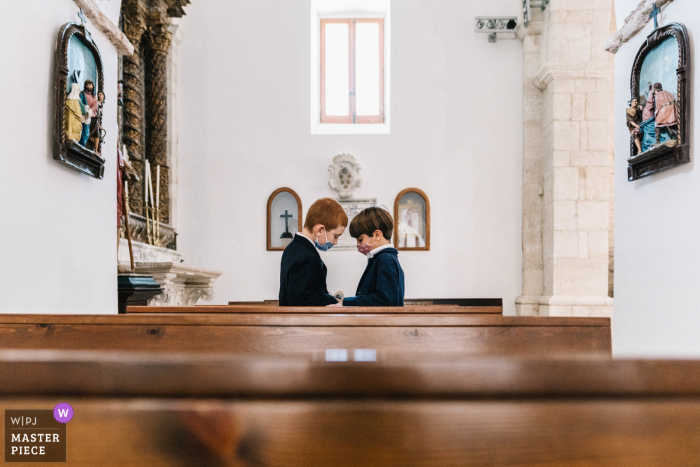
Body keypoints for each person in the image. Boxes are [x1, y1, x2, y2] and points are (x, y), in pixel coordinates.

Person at [279, 198, 348, 306]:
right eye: (335, 236)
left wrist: (323, 294)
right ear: (320, 230)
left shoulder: (294, 247)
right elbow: (300, 300)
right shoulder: (305, 256)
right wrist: (333, 301)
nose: (335, 242)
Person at [337, 207, 405, 307]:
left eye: (360, 239)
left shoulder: (385, 260)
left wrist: (347, 302)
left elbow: (385, 299)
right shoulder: (382, 258)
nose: (358, 244)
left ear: (377, 235)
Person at [79, 79, 98, 146]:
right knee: (80, 128)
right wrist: (85, 108)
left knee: (86, 131)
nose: (88, 86)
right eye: (87, 85)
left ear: (92, 86)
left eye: (90, 85)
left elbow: (95, 106)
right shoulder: (82, 94)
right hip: (82, 113)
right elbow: (80, 102)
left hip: (88, 115)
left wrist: (90, 111)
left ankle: (84, 142)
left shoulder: (93, 96)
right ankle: (80, 142)